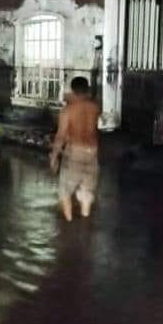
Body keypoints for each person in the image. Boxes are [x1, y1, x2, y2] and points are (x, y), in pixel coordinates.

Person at [50, 75, 100, 221]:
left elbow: (61, 136)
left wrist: (54, 157)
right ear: (87, 89)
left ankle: (69, 222)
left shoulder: (67, 111)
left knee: (65, 192)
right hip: (92, 152)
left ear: (72, 90)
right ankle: (85, 224)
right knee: (86, 192)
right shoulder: (95, 107)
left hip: (74, 153)